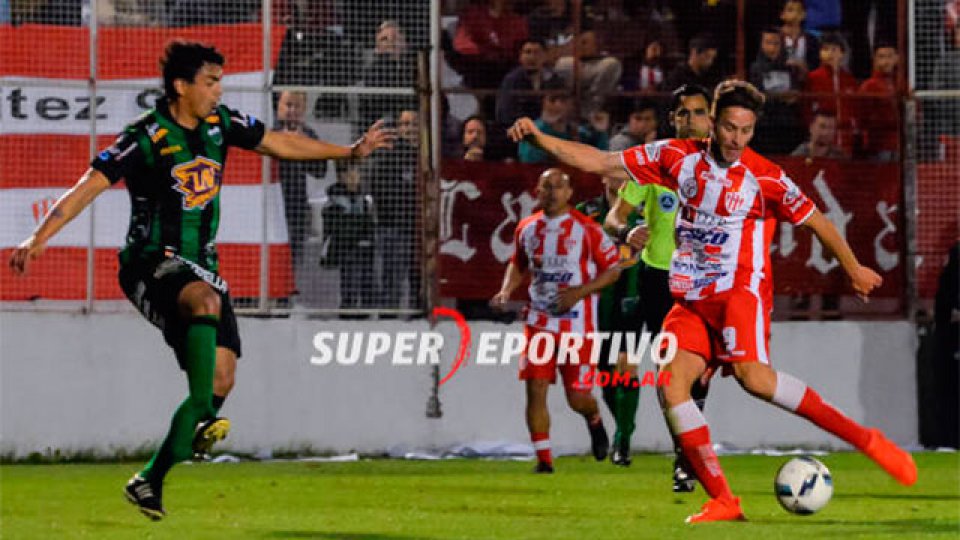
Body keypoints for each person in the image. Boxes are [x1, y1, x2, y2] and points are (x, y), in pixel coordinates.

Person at [8, 41, 393, 521]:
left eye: (220, 83)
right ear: (181, 86)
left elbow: (279, 142)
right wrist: (39, 237)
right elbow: (90, 184)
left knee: (222, 378)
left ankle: (149, 480)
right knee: (206, 305)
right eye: (210, 83)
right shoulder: (146, 136)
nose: (218, 92)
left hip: (201, 266)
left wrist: (350, 151)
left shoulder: (220, 124)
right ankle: (200, 416)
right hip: (150, 263)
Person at [508, 80, 916, 522]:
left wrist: (853, 268)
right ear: (714, 124)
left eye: (746, 130)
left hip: (739, 293)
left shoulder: (763, 176)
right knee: (670, 385)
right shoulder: (676, 157)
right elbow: (600, 161)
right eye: (729, 128)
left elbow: (817, 220)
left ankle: (865, 440)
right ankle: (724, 500)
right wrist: (540, 138)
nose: (737, 139)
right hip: (690, 299)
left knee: (754, 380)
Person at [605, 83, 715, 489]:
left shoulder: (726, 165)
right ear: (673, 119)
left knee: (700, 373)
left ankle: (687, 452)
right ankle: (684, 456)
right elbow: (614, 217)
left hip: (707, 281)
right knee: (670, 372)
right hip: (660, 280)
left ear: (711, 118)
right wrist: (626, 231)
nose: (691, 120)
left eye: (699, 112)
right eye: (684, 113)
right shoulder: (653, 165)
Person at [490, 168, 622, 474]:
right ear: (537, 191)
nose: (552, 193)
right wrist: (506, 290)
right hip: (539, 321)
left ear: (569, 192)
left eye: (558, 187)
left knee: (578, 397)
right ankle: (544, 460)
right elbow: (518, 263)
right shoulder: (527, 228)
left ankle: (593, 418)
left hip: (578, 326)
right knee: (535, 388)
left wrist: (579, 292)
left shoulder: (587, 229)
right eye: (546, 187)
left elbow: (613, 270)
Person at [575, 176, 645, 467]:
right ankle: (623, 427)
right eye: (615, 171)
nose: (620, 178)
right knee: (605, 373)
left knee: (626, 364)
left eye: (626, 173)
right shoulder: (586, 211)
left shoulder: (644, 212)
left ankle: (622, 440)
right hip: (596, 302)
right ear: (604, 175)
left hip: (632, 297)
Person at [371, 109, 420, 312]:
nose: (409, 129)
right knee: (392, 279)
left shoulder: (428, 154)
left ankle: (419, 316)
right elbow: (378, 188)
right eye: (405, 124)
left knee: (419, 280)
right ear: (398, 128)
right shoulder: (388, 155)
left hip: (420, 230)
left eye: (414, 124)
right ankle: (389, 317)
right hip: (394, 227)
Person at [273, 90, 325, 279]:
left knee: (292, 259)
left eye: (297, 106)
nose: (292, 110)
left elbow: (320, 171)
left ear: (304, 110)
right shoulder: (268, 134)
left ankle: (287, 293)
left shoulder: (309, 134)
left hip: (296, 207)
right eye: (288, 105)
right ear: (279, 106)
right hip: (273, 206)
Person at [321, 162, 377, 314]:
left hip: (364, 246)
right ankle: (348, 306)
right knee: (349, 277)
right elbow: (333, 225)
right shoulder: (334, 200)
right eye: (347, 174)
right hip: (345, 246)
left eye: (355, 173)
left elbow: (370, 222)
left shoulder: (365, 199)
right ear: (340, 177)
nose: (352, 177)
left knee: (367, 277)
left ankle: (366, 307)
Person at [518, 89, 608, 164]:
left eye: (563, 100)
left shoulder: (580, 133)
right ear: (544, 103)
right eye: (553, 100)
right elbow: (529, 160)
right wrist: (546, 126)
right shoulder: (530, 129)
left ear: (572, 105)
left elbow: (601, 162)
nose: (558, 104)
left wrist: (601, 133)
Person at [804, 32, 859, 154]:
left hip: (846, 140)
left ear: (842, 53)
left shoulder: (850, 80)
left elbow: (855, 110)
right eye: (825, 49)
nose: (829, 53)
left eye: (834, 50)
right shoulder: (813, 78)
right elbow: (806, 108)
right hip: (822, 139)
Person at [495, 39, 566, 129]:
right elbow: (505, 113)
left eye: (537, 53)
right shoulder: (512, 80)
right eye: (528, 52)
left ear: (545, 56)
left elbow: (563, 107)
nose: (532, 57)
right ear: (520, 56)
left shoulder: (554, 79)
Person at [857, 42, 900, 161]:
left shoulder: (902, 84)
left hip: (901, 144)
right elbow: (862, 118)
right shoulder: (868, 86)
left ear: (897, 58)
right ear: (875, 60)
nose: (886, 61)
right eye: (881, 57)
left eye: (889, 56)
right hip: (878, 145)